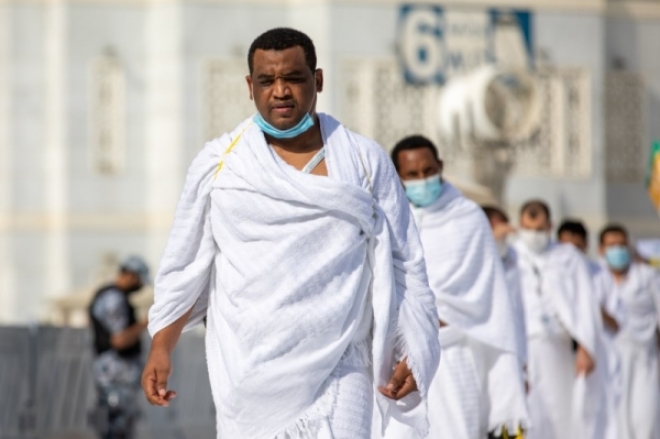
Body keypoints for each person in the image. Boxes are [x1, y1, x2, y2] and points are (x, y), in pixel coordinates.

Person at [143, 28, 440, 439]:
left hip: (342, 362)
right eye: (267, 81)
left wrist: (417, 345)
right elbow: (187, 266)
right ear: (250, 86)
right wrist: (161, 347)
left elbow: (405, 261)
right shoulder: (220, 166)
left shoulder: (363, 161)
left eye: (294, 78)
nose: (280, 91)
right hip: (248, 373)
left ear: (317, 80)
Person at [378, 135, 528, 439]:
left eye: (428, 171)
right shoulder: (388, 219)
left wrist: (428, 325)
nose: (422, 179)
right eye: (412, 174)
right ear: (398, 176)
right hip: (396, 356)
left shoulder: (468, 217)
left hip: (453, 351)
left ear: (440, 166)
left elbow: (487, 295)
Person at [513, 200, 604, 439]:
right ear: (520, 226)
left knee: (560, 413)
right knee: (527, 413)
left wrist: (586, 346)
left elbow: (585, 302)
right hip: (522, 347)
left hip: (557, 346)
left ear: (550, 226)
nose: (534, 235)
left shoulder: (567, 256)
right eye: (528, 229)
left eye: (539, 229)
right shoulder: (511, 256)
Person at [593, 224, 660, 439]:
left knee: (645, 418)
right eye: (612, 245)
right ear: (601, 249)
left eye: (622, 245)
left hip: (644, 357)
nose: (618, 250)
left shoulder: (647, 276)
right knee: (614, 423)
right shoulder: (595, 277)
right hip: (608, 359)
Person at [556, 218, 619, 439]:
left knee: (594, 414)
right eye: (566, 247)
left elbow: (616, 320)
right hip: (561, 353)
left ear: (585, 245)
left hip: (597, 354)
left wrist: (591, 309)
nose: (571, 253)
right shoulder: (551, 273)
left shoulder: (599, 274)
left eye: (576, 246)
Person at [89, 255, 150, 439]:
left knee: (121, 427)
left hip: (118, 377)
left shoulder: (115, 296)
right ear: (130, 275)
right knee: (115, 428)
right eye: (139, 280)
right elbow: (120, 340)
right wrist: (148, 321)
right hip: (114, 376)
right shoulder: (113, 299)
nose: (140, 286)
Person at [482, 205, 528, 377]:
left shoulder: (514, 256)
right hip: (482, 337)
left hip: (511, 337)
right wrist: (491, 240)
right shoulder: (474, 254)